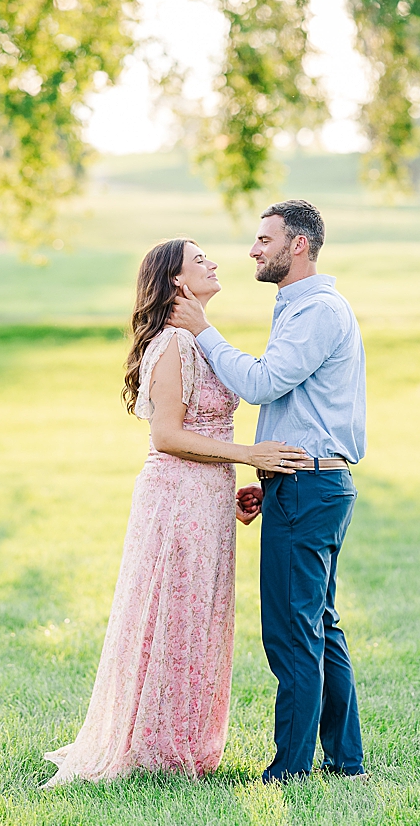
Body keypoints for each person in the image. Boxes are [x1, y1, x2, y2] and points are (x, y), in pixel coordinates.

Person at [41, 237, 307, 785]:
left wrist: (230, 487)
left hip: (205, 497)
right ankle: (154, 746)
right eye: (199, 258)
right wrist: (248, 455)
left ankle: (183, 740)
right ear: (177, 282)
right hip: (174, 496)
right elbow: (166, 436)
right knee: (170, 615)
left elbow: (202, 429)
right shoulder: (172, 345)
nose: (213, 262)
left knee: (197, 619)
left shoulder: (201, 341)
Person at [170, 199, 367, 783]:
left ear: (297, 245)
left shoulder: (318, 311)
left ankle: (291, 771)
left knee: (291, 633)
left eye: (264, 239)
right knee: (318, 625)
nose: (253, 250)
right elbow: (294, 404)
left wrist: (204, 332)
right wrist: (267, 475)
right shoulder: (299, 308)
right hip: (301, 485)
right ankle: (345, 760)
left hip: (310, 489)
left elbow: (261, 383)